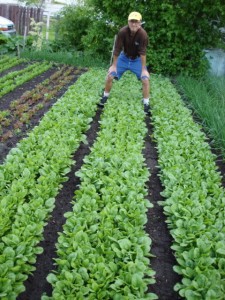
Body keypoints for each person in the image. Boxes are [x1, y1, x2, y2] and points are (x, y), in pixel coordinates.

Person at [99, 11, 150, 114]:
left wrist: (144, 69)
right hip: (124, 57)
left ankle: (146, 103)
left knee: (145, 80)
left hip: (136, 60)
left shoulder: (143, 35)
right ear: (128, 22)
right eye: (132, 21)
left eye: (136, 21)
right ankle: (105, 97)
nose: (134, 24)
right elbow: (117, 49)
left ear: (140, 23)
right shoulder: (123, 31)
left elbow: (143, 53)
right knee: (110, 75)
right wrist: (113, 66)